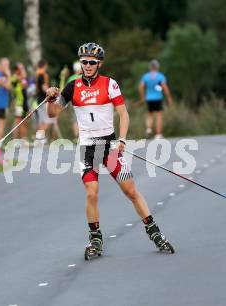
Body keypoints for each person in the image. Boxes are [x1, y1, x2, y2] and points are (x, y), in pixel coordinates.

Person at [46, 42, 174, 258]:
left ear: (99, 64)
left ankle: (155, 233)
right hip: (87, 148)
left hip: (109, 146)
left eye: (91, 63)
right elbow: (52, 113)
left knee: (131, 191)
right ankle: (95, 238)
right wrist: (50, 97)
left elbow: (124, 114)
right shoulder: (72, 87)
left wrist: (122, 140)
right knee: (91, 192)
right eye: (84, 62)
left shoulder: (109, 84)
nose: (87, 66)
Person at [139, 59, 173, 139]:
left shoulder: (146, 76)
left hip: (149, 98)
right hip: (158, 98)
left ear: (150, 67)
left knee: (150, 114)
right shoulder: (160, 76)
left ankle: (149, 129)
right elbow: (165, 87)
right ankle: (158, 134)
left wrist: (142, 97)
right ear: (157, 67)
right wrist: (169, 97)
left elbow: (141, 87)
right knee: (158, 116)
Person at [11, 62, 29, 141]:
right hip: (19, 103)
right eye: (20, 69)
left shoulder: (22, 78)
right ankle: (14, 140)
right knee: (18, 122)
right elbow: (22, 80)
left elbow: (25, 84)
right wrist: (22, 70)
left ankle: (23, 139)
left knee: (24, 122)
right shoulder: (14, 77)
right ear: (16, 70)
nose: (21, 70)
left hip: (24, 103)